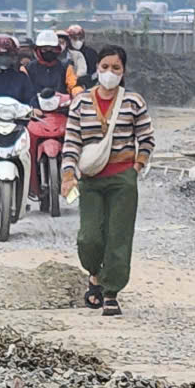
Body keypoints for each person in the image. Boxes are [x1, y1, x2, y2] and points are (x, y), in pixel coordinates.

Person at [61, 43, 155, 315]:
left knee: (119, 237)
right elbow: (71, 142)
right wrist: (69, 174)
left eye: (116, 68)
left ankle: (111, 292)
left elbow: (146, 138)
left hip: (123, 180)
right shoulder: (80, 103)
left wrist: (137, 166)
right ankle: (94, 274)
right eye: (105, 67)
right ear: (96, 69)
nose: (110, 72)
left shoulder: (133, 102)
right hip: (90, 181)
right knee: (89, 237)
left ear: (123, 71)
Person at [26, 29, 73, 99]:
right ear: (38, 51)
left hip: (61, 106)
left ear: (57, 50)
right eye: (45, 50)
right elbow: (24, 89)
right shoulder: (29, 67)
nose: (49, 52)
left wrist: (78, 92)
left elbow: (73, 86)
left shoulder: (65, 67)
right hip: (35, 106)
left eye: (52, 49)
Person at [60, 24, 91, 90]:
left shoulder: (77, 55)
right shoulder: (48, 57)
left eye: (62, 42)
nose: (60, 45)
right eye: (74, 38)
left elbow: (81, 73)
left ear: (66, 43)